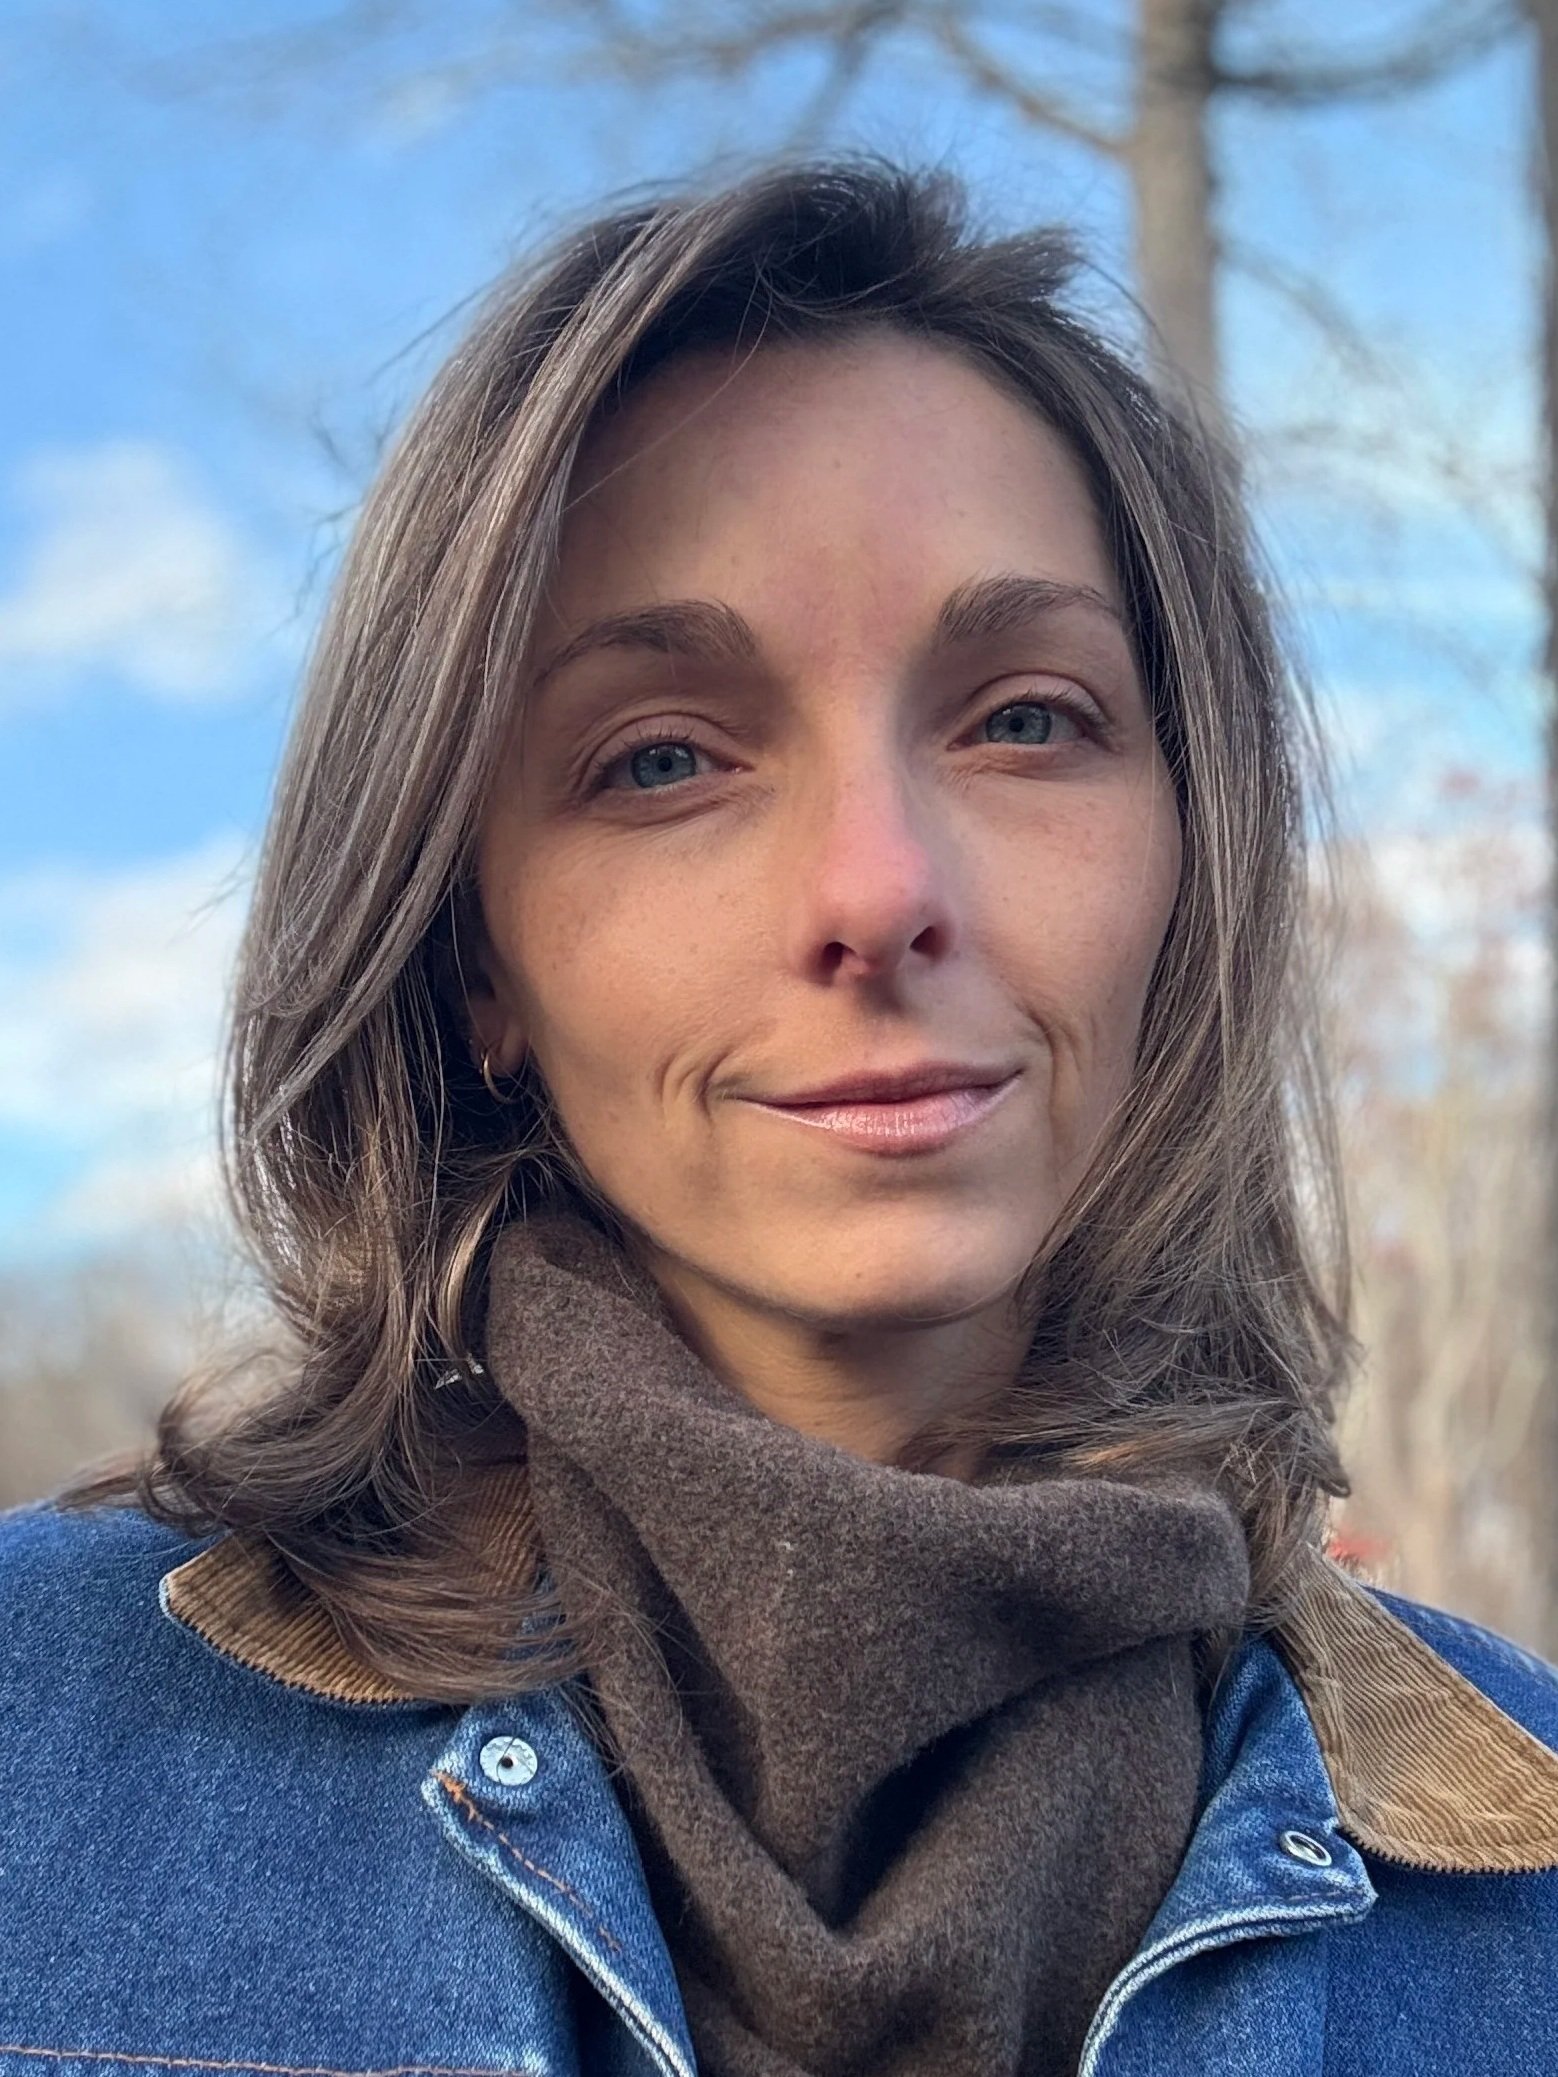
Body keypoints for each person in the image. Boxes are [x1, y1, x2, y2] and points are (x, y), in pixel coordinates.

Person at [2, 154, 1556, 2077]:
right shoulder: (35, 1743)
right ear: (469, 951)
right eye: (662, 757)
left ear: (1192, 855)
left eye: (1023, 717)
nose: (875, 885)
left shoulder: (1527, 1887)